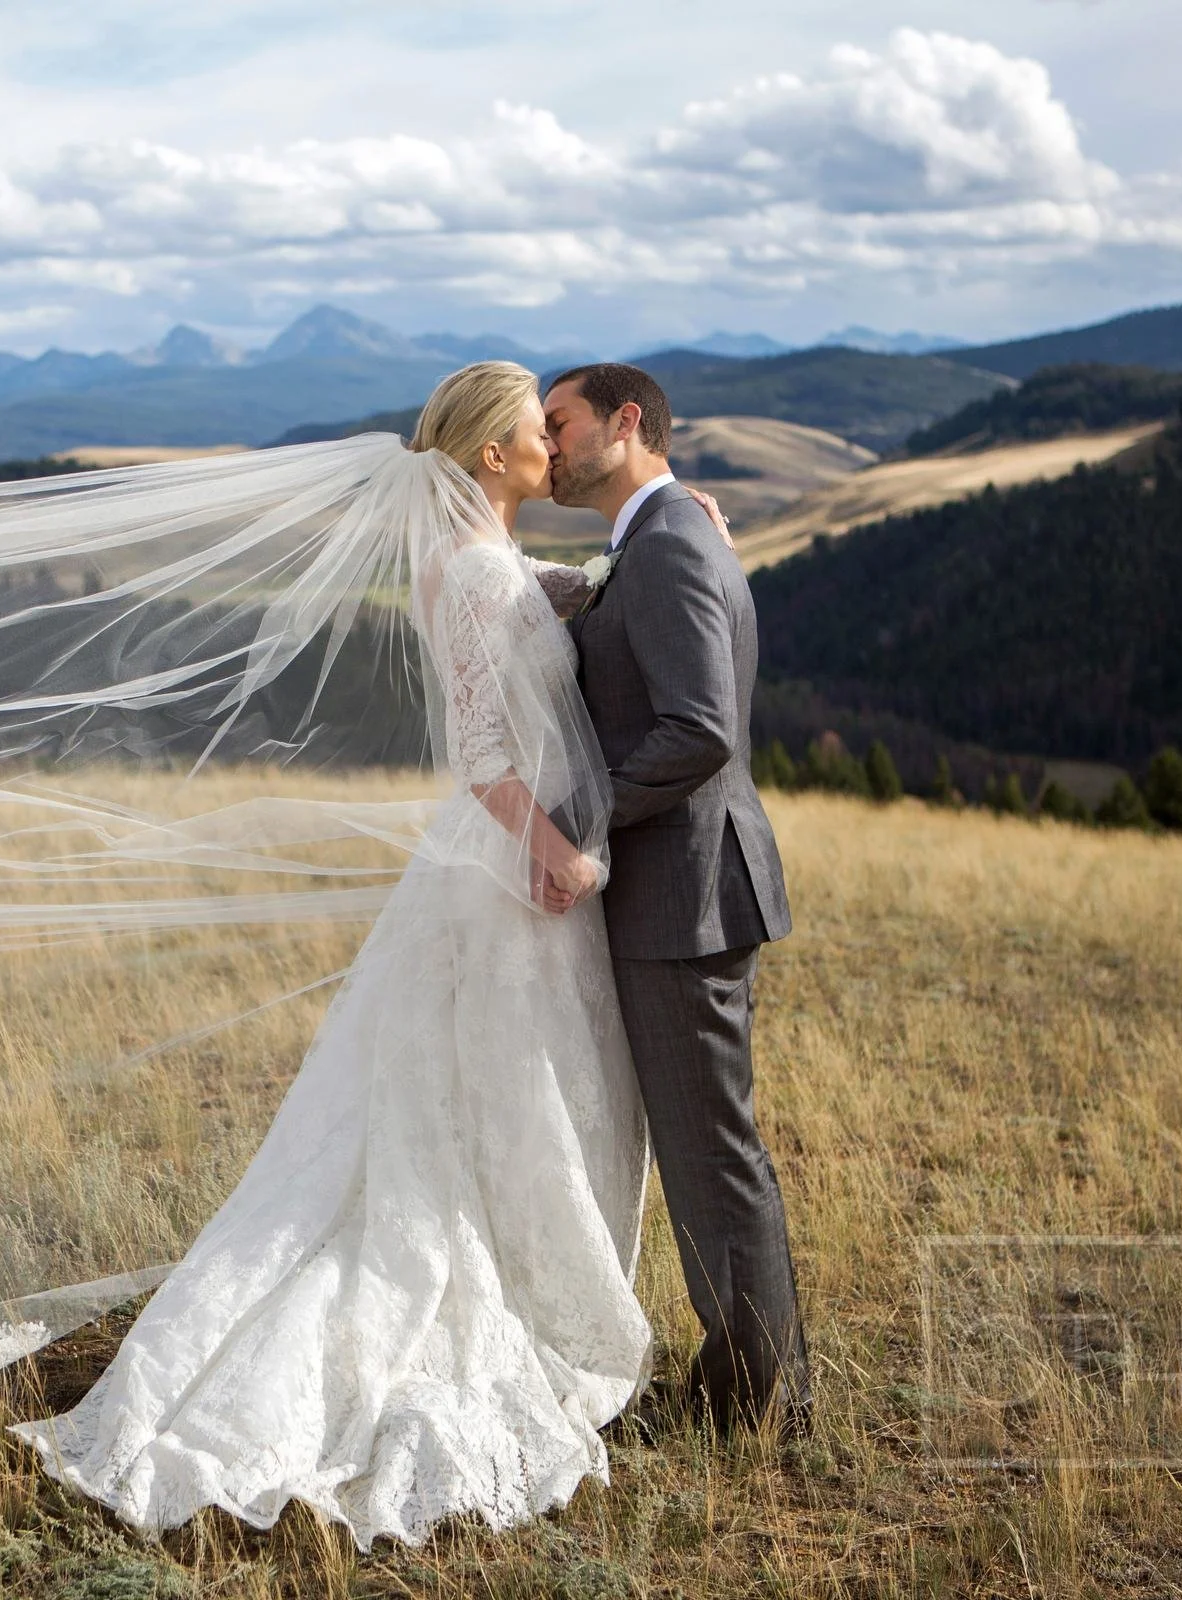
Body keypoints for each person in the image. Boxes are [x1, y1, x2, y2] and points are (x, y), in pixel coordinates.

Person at [11, 363, 655, 1549]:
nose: (549, 449)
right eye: (532, 432)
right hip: (503, 877)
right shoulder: (467, 568)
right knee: (476, 1121)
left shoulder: (492, 563)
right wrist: (554, 855)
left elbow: (539, 599)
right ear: (486, 459)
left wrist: (623, 567)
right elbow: (482, 756)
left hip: (503, 877)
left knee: (491, 1111)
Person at [541, 362, 810, 1439]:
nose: (549, 444)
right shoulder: (654, 537)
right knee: (708, 1150)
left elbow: (701, 729)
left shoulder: (669, 544)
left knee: (712, 1153)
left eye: (560, 425)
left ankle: (757, 1406)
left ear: (627, 421)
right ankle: (751, 1381)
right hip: (676, 890)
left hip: (685, 896)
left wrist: (577, 817)